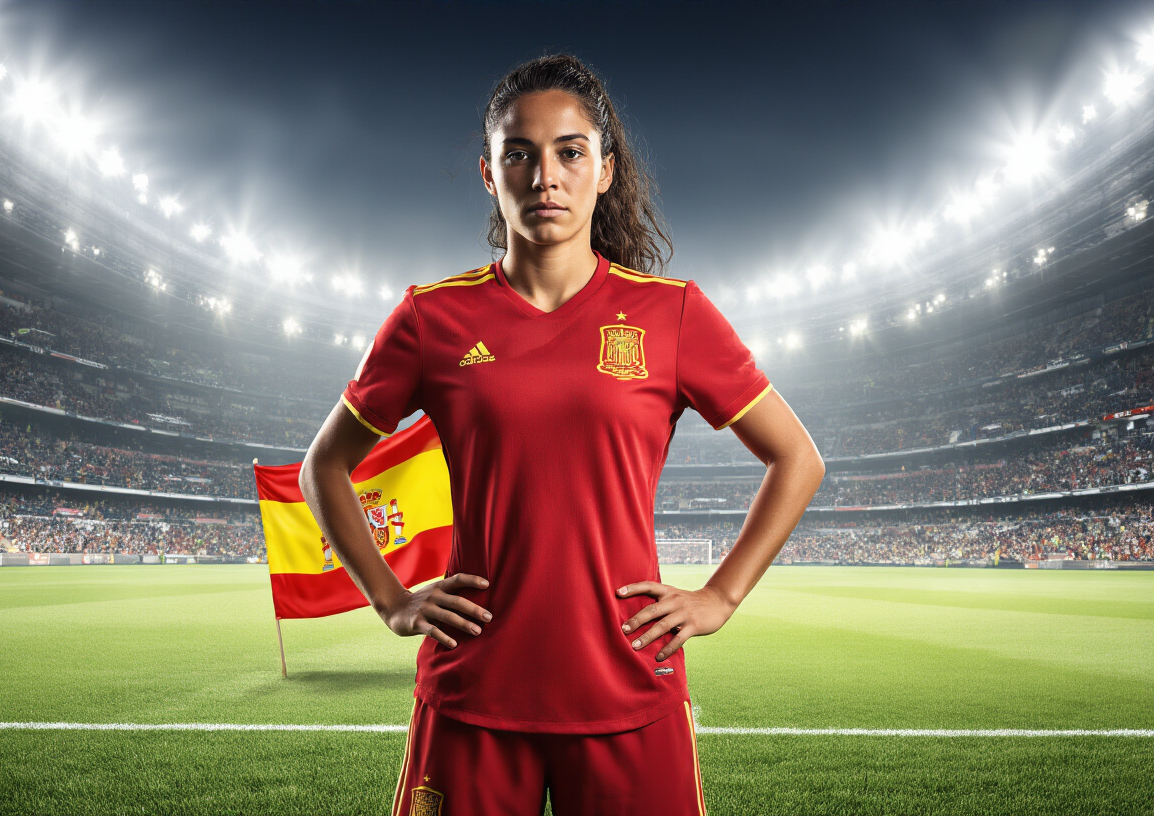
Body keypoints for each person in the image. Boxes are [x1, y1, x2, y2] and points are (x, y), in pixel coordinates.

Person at [300, 54, 825, 816]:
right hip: (474, 688)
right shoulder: (430, 319)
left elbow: (797, 457)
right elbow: (324, 467)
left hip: (630, 690)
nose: (546, 176)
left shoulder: (672, 314)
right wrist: (392, 601)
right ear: (490, 173)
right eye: (521, 153)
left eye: (570, 152)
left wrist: (720, 595)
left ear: (605, 170)